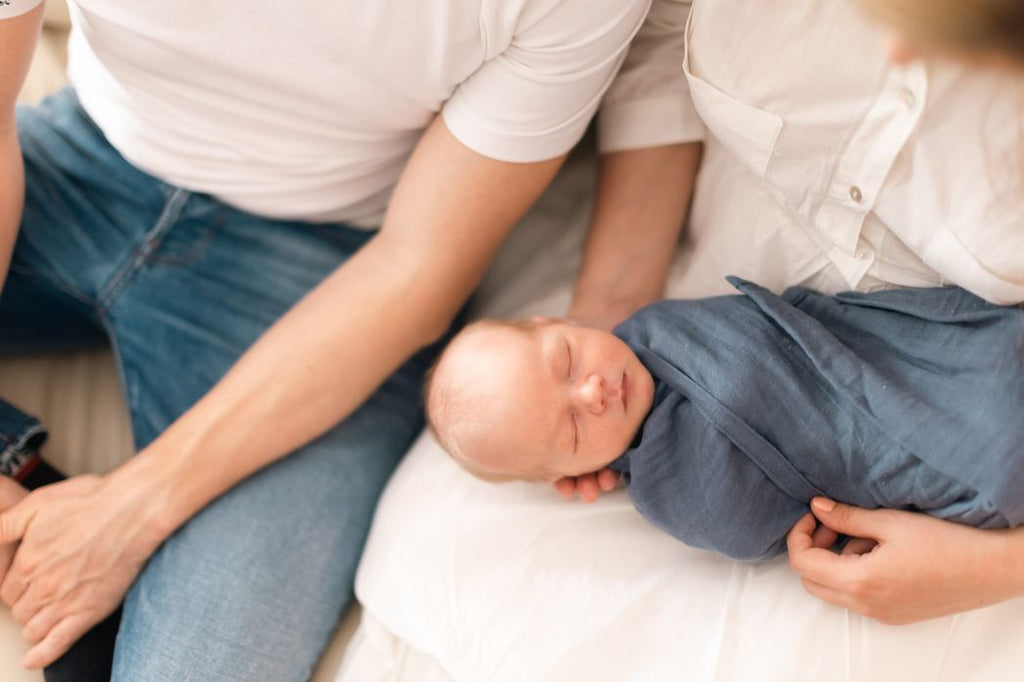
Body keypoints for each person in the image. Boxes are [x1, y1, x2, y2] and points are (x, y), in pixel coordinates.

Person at [0, 0, 656, 677]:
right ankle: (17, 473)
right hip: (80, 160)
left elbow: (416, 267)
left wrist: (126, 512)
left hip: (336, 287)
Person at [553, 0, 1024, 624]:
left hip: (959, 380)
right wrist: (603, 310)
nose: (896, 52)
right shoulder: (663, 454)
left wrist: (997, 570)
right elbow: (656, 42)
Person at [425, 279, 1024, 560]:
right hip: (885, 455)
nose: (592, 391)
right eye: (572, 432)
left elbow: (776, 335)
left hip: (880, 353)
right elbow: (749, 530)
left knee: (993, 360)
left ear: (549, 321)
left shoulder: (655, 325)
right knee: (995, 445)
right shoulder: (670, 493)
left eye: (566, 358)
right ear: (567, 474)